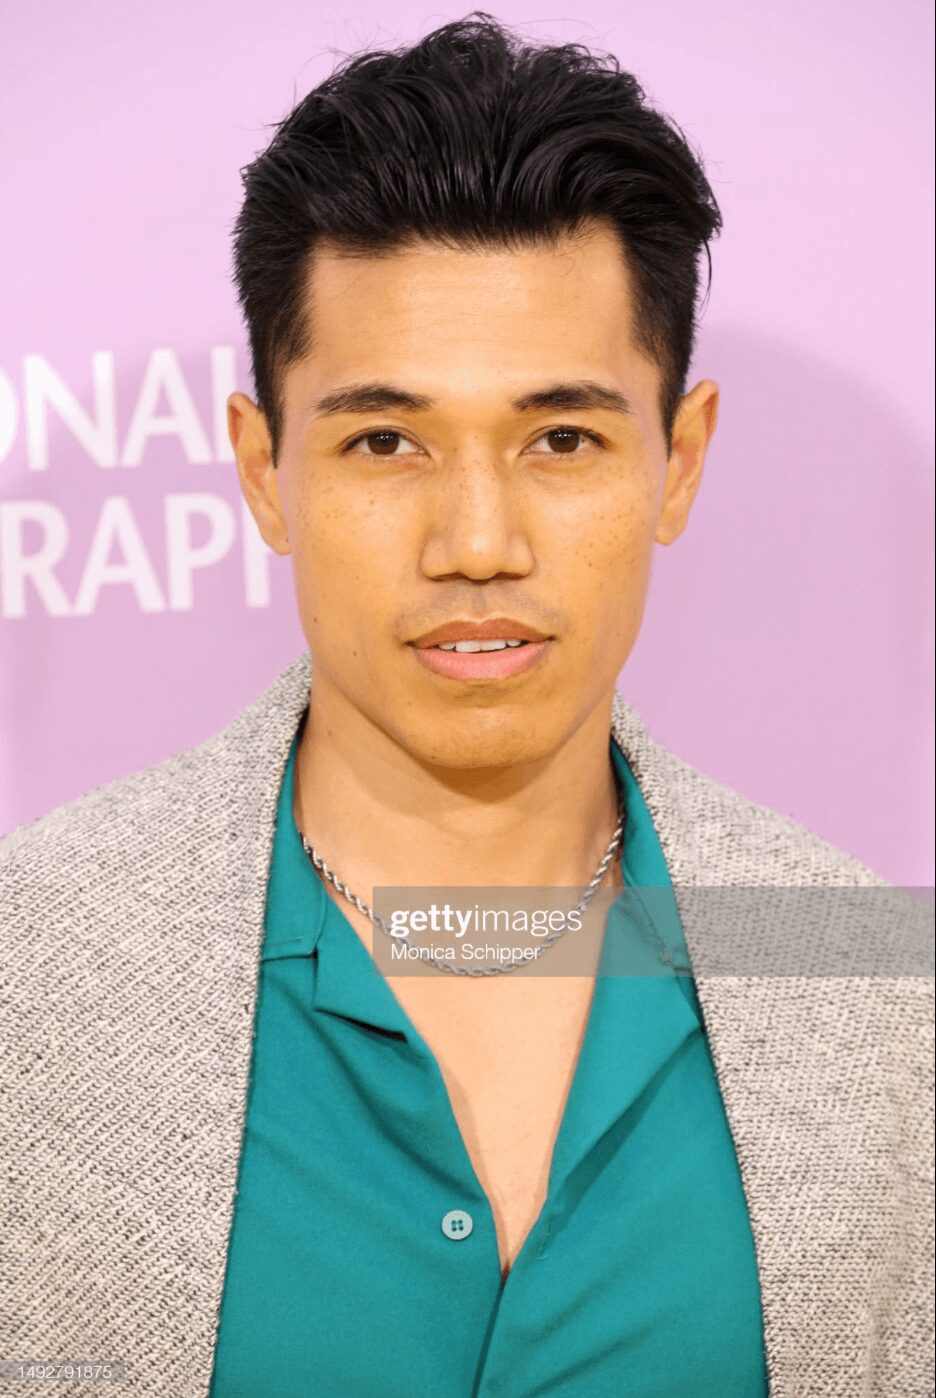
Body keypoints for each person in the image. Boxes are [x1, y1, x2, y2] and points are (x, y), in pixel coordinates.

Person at [1, 13, 931, 1398]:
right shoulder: (31, 965)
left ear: (679, 462)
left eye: (562, 437)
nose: (478, 542)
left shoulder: (879, 986)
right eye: (386, 440)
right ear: (263, 472)